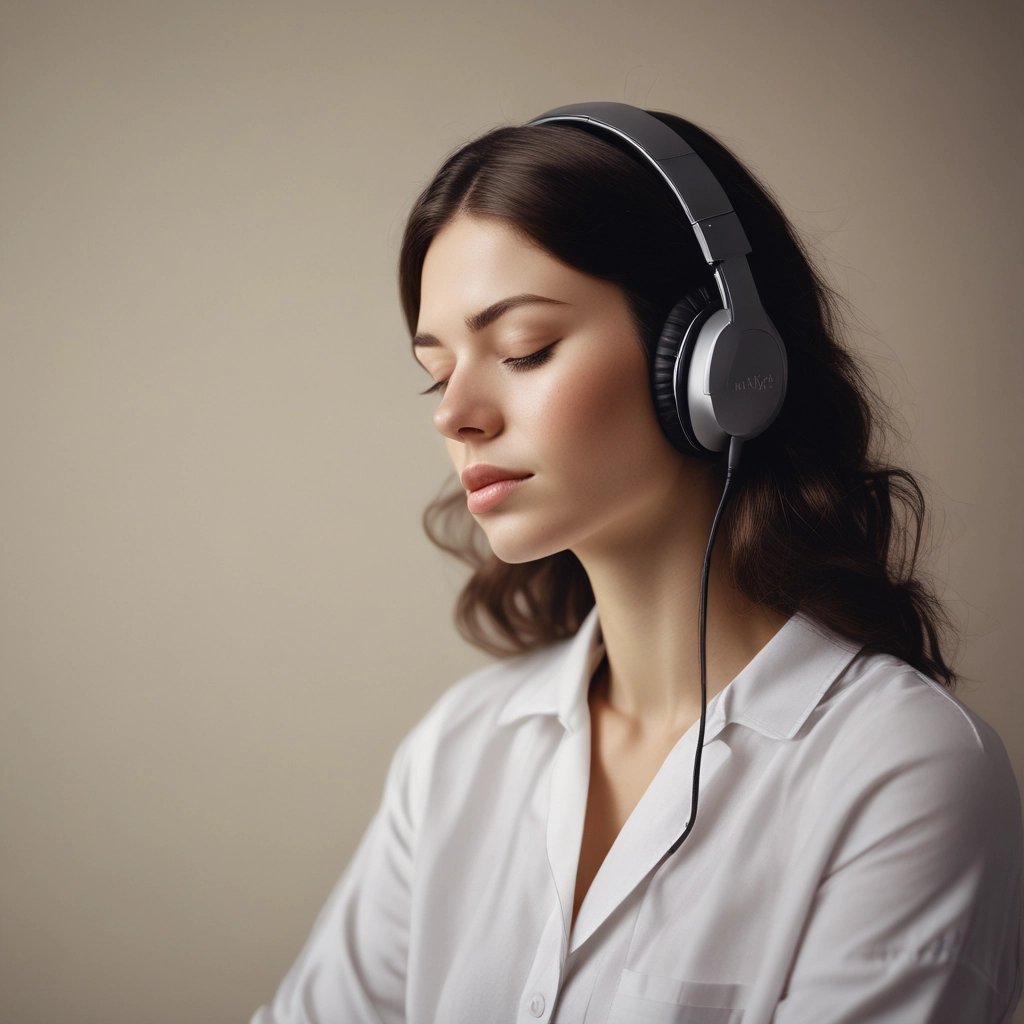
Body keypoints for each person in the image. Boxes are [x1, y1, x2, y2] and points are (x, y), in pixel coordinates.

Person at [252, 103, 1023, 1023]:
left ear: (718, 364)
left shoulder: (902, 772)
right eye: (436, 367)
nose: (454, 413)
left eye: (522, 349)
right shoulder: (459, 751)